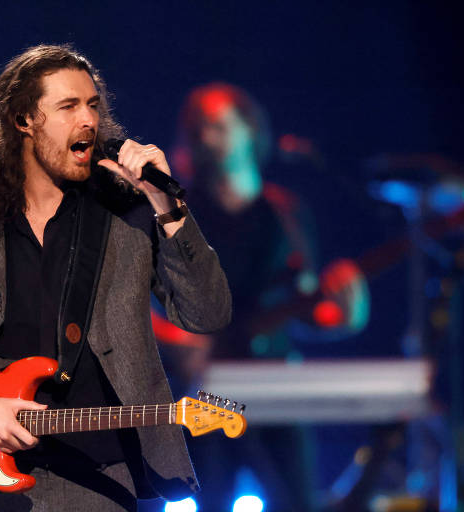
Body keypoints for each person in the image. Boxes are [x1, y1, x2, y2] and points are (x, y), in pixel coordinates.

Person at [0, 45, 231, 512]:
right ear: (23, 121)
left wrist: (167, 205)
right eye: (68, 106)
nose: (88, 120)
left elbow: (208, 312)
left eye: (93, 105)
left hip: (97, 477)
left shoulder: (129, 215)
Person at [155, 83, 369, 511]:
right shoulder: (172, 213)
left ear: (250, 131)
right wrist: (182, 344)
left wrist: (347, 315)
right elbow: (136, 307)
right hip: (202, 391)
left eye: (217, 126)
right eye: (197, 130)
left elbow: (305, 307)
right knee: (207, 498)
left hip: (274, 385)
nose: (206, 138)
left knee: (296, 500)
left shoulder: (285, 214)